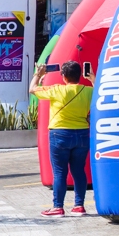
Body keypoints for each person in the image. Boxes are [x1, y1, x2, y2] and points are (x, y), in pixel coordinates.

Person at [31, 60, 92, 216]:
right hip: (82, 134)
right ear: (80, 75)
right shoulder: (89, 91)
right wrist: (92, 77)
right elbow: (102, 90)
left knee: (60, 173)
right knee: (79, 171)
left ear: (64, 76)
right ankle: (79, 206)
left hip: (60, 134)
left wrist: (39, 74)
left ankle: (58, 207)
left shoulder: (57, 90)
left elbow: (32, 89)